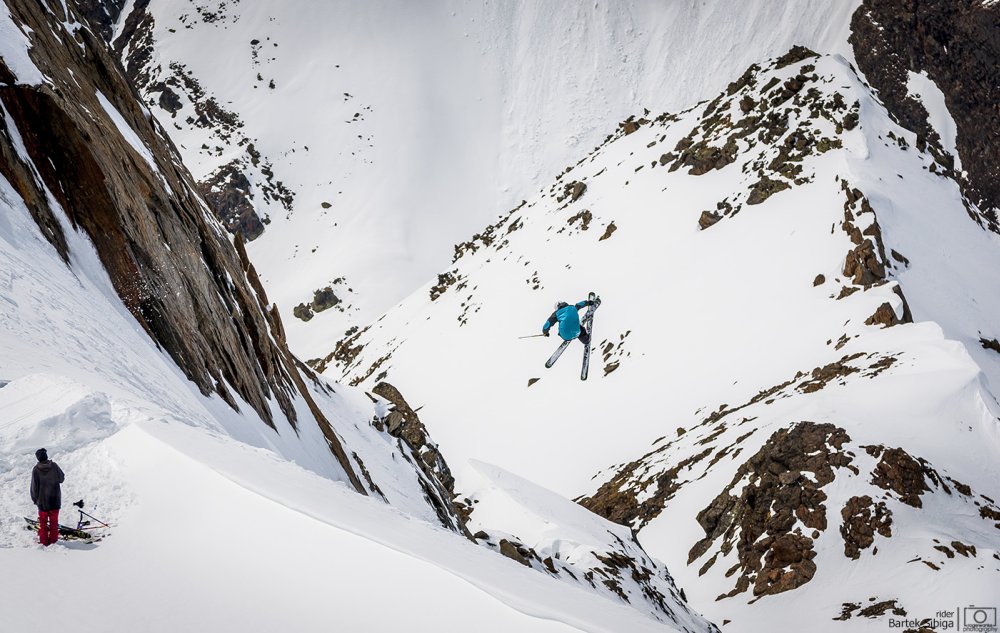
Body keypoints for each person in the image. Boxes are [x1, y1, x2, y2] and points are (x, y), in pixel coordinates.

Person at [30, 448, 65, 546]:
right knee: (54, 524)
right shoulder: (54, 466)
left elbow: (34, 487)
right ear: (46, 456)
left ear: (38, 458)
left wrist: (35, 499)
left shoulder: (36, 469)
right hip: (54, 500)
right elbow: (61, 478)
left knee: (43, 525)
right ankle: (54, 542)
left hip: (42, 502)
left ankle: (44, 543)